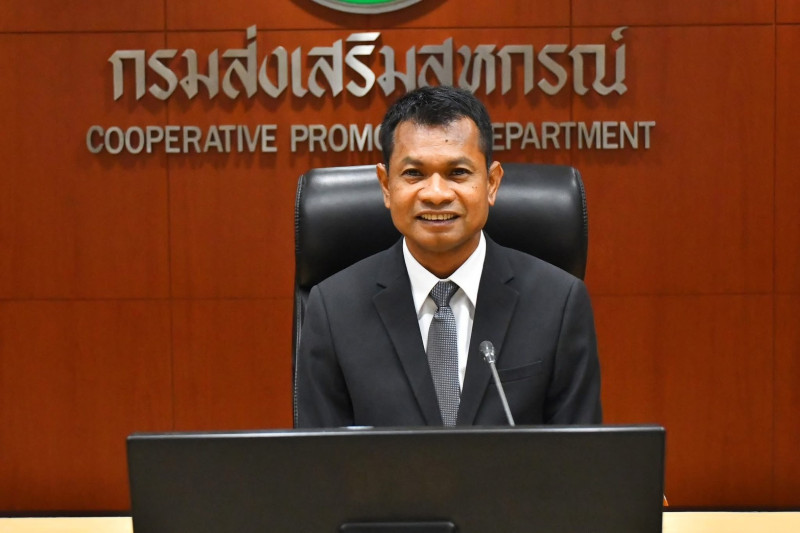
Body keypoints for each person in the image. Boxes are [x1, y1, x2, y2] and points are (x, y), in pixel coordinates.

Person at [294, 86, 601, 428]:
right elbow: (321, 456)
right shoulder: (334, 309)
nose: (437, 194)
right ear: (385, 185)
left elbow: (580, 454)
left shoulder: (558, 302)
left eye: (458, 173)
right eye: (414, 174)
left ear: (492, 183)